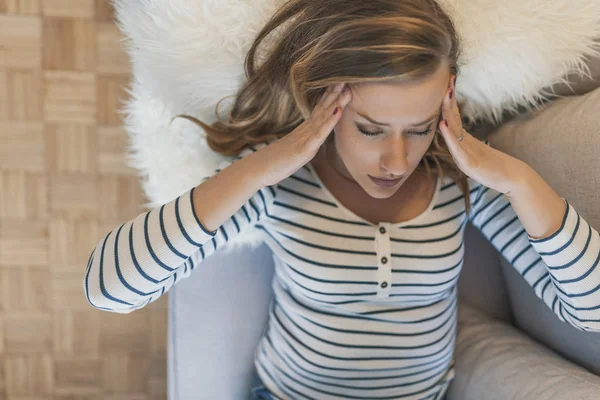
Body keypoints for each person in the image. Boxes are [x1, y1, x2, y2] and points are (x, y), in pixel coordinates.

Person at [83, 0, 600, 399]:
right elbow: (109, 290)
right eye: (371, 129)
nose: (397, 161)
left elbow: (592, 311)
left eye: (419, 129)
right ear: (324, 103)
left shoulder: (460, 186)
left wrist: (516, 178)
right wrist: (265, 164)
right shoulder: (282, 183)